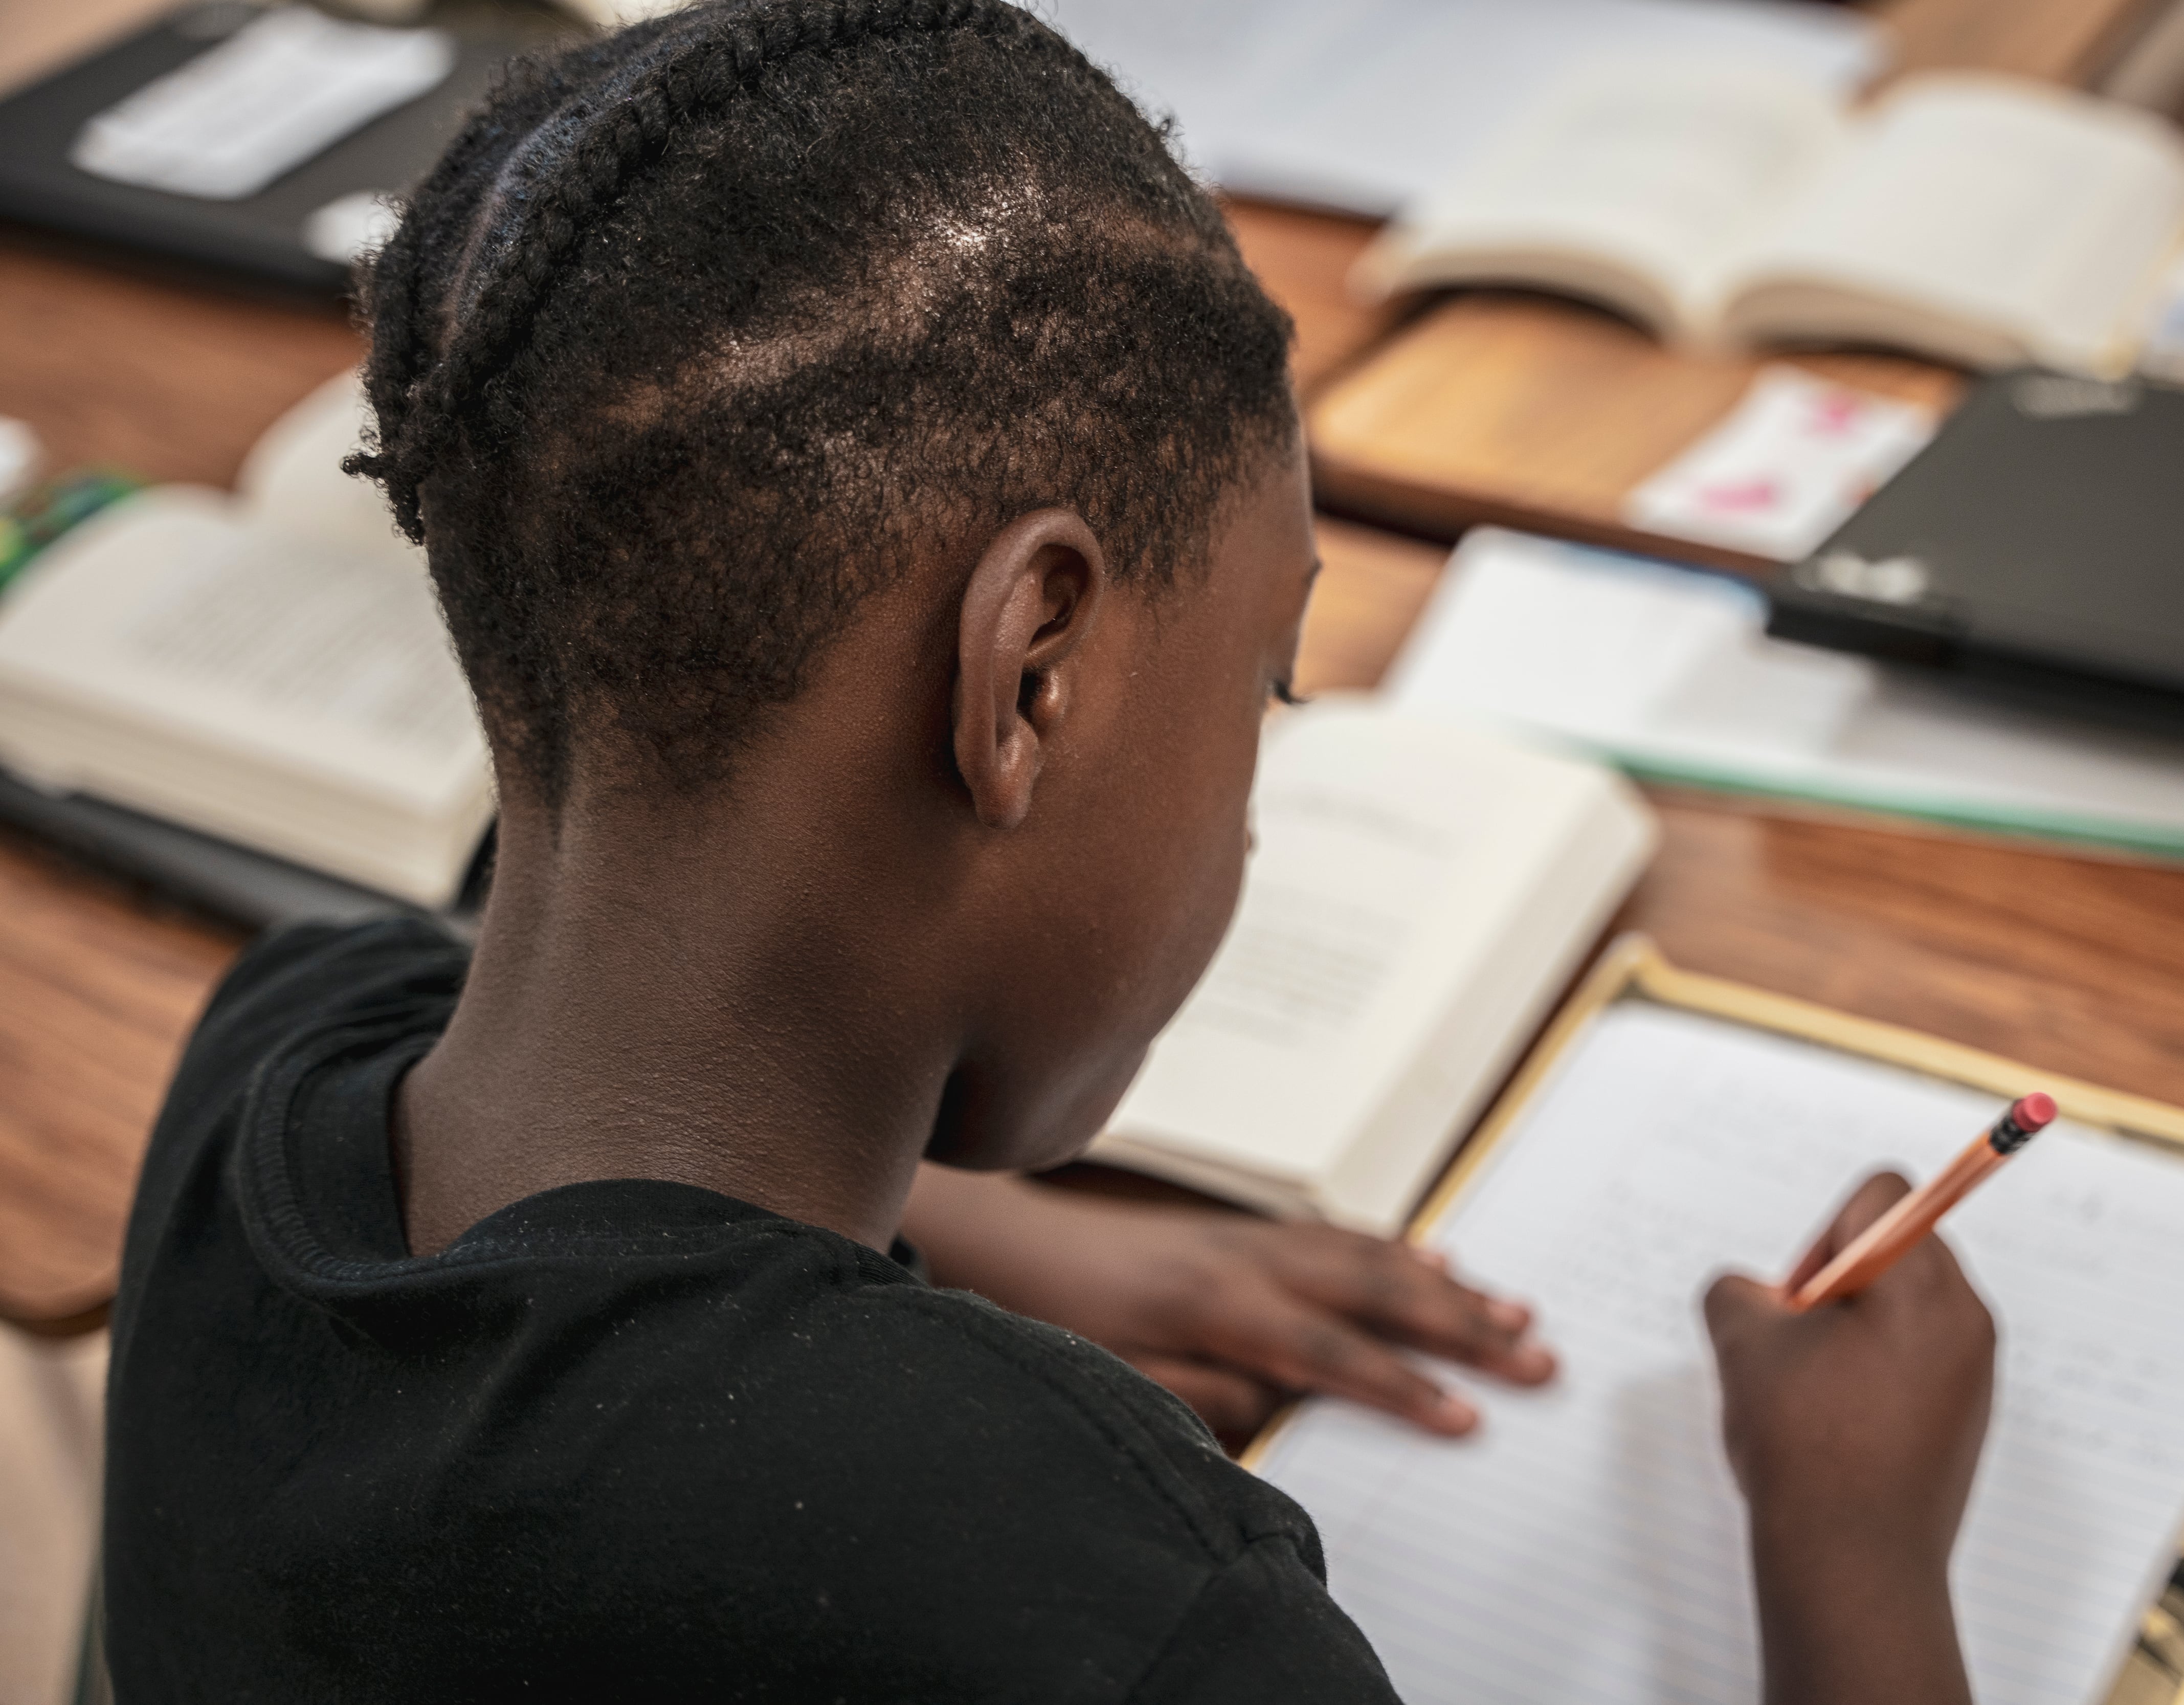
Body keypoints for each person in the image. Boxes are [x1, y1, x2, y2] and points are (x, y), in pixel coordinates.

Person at [101, 3, 1995, 1699]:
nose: (1259, 774)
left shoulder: (271, 1054)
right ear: (1029, 680)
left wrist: (990, 1236)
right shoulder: (1122, 1604)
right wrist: (1859, 1561)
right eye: (1268, 679)